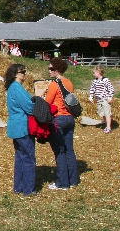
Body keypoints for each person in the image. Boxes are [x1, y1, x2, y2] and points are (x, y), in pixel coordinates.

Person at [44, 57, 78, 190]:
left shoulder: (54, 84)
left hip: (58, 118)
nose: (49, 70)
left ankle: (62, 183)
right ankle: (73, 179)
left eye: (51, 68)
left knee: (60, 151)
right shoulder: (69, 82)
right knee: (69, 150)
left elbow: (48, 102)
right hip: (70, 117)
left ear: (57, 70)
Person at [4, 63, 36, 196]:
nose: (24, 74)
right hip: (22, 126)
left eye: (25, 71)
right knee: (28, 157)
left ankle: (19, 187)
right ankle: (29, 189)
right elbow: (29, 107)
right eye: (22, 71)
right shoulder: (16, 88)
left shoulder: (13, 88)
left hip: (16, 126)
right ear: (15, 74)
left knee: (20, 157)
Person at [88, 65, 114, 134]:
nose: (93, 74)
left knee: (107, 113)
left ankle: (109, 127)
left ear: (98, 72)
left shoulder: (106, 80)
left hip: (105, 99)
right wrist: (91, 96)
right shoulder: (94, 81)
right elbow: (92, 89)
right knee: (102, 113)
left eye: (94, 72)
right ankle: (106, 125)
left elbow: (111, 89)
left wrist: (110, 97)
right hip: (98, 100)